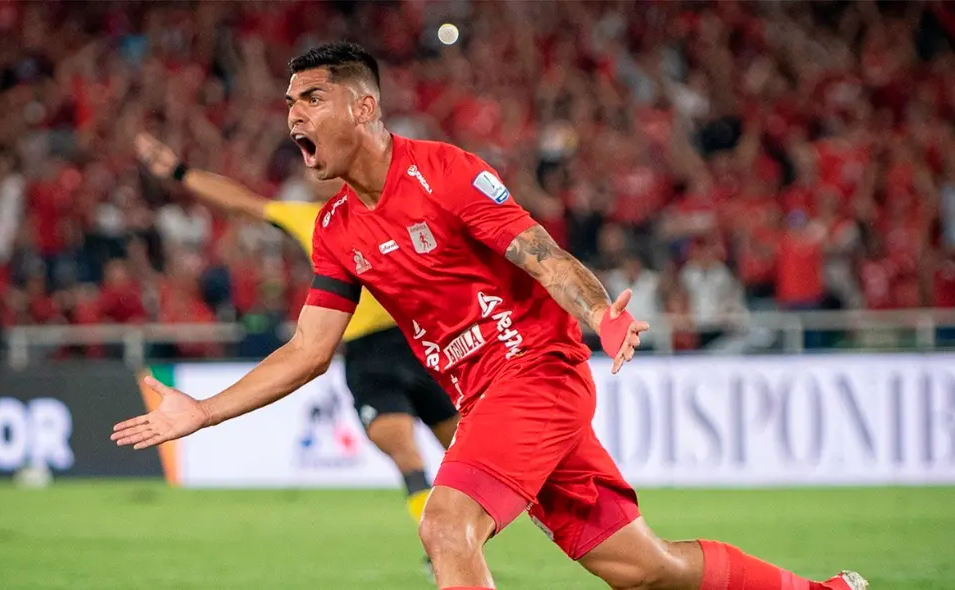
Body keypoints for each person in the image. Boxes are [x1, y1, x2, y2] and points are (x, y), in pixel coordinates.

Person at [113, 42, 867, 590]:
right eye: (288, 103)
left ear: (363, 106)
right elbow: (308, 352)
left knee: (445, 526)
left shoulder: (445, 172)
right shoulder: (338, 229)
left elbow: (541, 254)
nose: (292, 115)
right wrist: (203, 412)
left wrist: (600, 313)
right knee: (647, 570)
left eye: (309, 98)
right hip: (488, 399)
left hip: (536, 374)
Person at [133, 132, 459, 575]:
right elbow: (242, 203)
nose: (313, 168)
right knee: (409, 458)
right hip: (367, 358)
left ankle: (500, 529)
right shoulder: (312, 219)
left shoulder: (394, 202)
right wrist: (178, 172)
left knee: (467, 457)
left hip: (420, 344)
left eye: (320, 156)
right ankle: (441, 552)